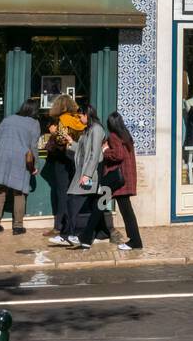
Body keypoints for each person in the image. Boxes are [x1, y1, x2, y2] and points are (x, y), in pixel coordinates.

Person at [52, 105, 107, 247]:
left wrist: (87, 175)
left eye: (80, 116)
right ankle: (95, 232)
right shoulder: (87, 130)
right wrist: (71, 142)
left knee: (73, 202)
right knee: (78, 202)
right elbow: (83, 151)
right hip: (81, 172)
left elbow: (95, 154)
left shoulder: (97, 129)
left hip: (89, 173)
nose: (79, 118)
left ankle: (69, 234)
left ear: (87, 115)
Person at [0, 99, 41, 235]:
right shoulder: (34, 124)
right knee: (19, 192)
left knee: (0, 190)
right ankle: (17, 227)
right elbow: (33, 146)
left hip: (2, 157)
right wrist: (36, 164)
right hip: (20, 159)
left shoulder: (8, 119)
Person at [101, 111, 142, 250]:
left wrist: (105, 150)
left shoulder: (113, 136)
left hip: (119, 180)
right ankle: (135, 241)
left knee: (126, 212)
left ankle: (135, 241)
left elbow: (118, 155)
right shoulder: (126, 136)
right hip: (127, 177)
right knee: (127, 211)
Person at [41, 118, 74, 237]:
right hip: (60, 170)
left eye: (50, 126)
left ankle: (60, 226)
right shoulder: (61, 135)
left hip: (62, 170)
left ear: (54, 125)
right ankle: (62, 225)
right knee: (62, 196)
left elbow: (51, 149)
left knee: (62, 197)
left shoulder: (60, 136)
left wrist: (54, 136)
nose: (49, 129)